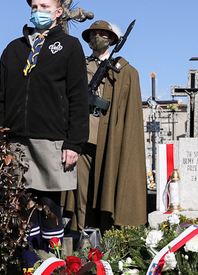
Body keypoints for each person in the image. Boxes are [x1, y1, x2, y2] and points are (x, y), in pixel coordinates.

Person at [0, 0, 88, 262]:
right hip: (15, 139)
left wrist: (74, 143)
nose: (38, 12)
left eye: (44, 7)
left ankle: (54, 268)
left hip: (51, 138)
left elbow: (78, 98)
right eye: (34, 7)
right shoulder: (14, 49)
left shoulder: (69, 47)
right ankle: (28, 268)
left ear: (58, 12)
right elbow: (1, 97)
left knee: (48, 203)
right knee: (22, 204)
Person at [63, 20, 147, 232]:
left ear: (111, 40)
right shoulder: (78, 66)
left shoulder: (125, 71)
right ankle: (83, 235)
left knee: (107, 188)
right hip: (82, 138)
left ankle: (108, 239)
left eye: (102, 34)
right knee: (81, 191)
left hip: (109, 139)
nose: (96, 38)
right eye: (93, 35)